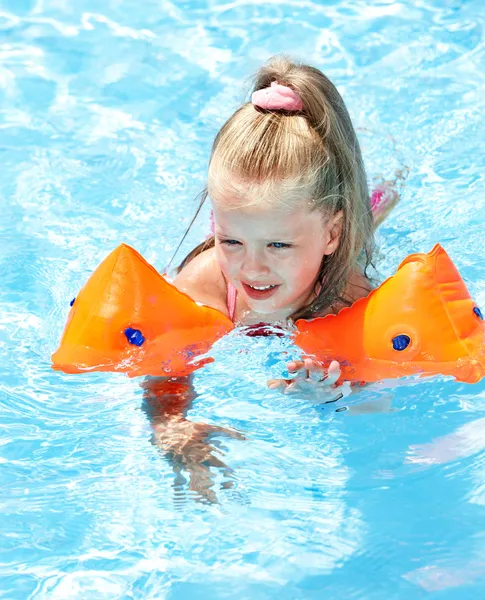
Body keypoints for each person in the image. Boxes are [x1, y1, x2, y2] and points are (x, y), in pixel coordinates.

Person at [172, 55, 402, 397]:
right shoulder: (206, 285)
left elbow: (376, 403)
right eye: (230, 241)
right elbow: (165, 376)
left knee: (369, 215)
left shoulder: (347, 299)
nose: (252, 268)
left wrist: (329, 397)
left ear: (331, 235)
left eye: (278, 246)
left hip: (331, 226)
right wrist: (175, 428)